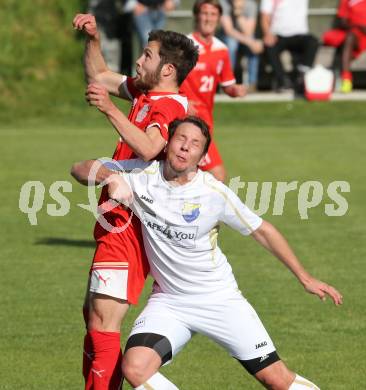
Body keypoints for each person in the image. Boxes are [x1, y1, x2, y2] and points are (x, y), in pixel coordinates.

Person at [72, 116, 343, 390]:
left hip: (219, 300)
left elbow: (263, 231)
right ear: (167, 144)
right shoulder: (141, 174)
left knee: (276, 379)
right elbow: (81, 169)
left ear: (202, 156)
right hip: (169, 303)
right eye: (180, 139)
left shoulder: (213, 193)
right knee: (135, 367)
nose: (185, 147)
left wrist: (305, 278)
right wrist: (112, 177)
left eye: (195, 144)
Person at [72, 13, 198, 390]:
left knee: (104, 323)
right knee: (93, 317)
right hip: (117, 216)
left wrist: (109, 109)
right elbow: (99, 76)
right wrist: (92, 38)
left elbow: (149, 145)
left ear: (167, 69)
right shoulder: (146, 92)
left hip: (130, 222)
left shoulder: (170, 106)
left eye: (147, 55)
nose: (139, 61)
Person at [180, 0, 246, 182]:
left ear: (218, 18)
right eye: (205, 13)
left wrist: (235, 90)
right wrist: (182, 102)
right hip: (184, 122)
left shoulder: (221, 50)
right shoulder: (184, 47)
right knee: (218, 176)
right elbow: (167, 81)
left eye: (213, 14)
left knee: (188, 178)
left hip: (205, 123)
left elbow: (227, 85)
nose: (208, 18)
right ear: (196, 16)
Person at [260, 0, 318, 94]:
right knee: (270, 46)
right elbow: (264, 16)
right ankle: (282, 81)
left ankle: (302, 77)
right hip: (278, 35)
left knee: (313, 42)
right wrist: (267, 33)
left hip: (300, 34)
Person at [220, 0, 263, 91]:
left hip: (244, 36)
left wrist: (238, 13)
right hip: (227, 37)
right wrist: (251, 43)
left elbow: (248, 32)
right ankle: (227, 82)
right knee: (232, 44)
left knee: (253, 44)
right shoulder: (223, 3)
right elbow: (229, 31)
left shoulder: (251, 5)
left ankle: (252, 84)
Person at [337, 0, 366, 93]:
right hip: (356, 34)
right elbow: (343, 21)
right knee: (350, 37)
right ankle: (346, 79)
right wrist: (358, 26)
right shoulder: (346, 1)